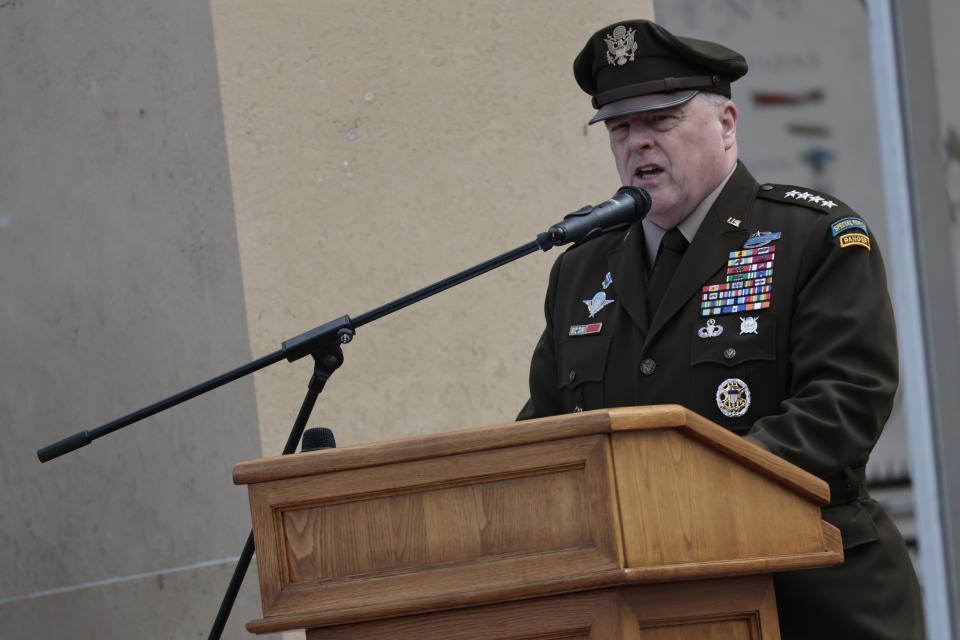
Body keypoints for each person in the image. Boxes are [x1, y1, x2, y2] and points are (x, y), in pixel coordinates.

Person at [518, 19, 924, 639]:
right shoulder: (583, 267)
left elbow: (844, 402)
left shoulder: (811, 238)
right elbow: (546, 435)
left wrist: (683, 494)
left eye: (661, 120)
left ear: (727, 124)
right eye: (620, 127)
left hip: (807, 599)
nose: (638, 144)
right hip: (642, 611)